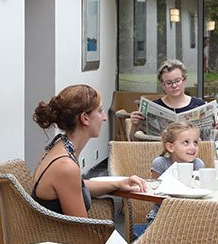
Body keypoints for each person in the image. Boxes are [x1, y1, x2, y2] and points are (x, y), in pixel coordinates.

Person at [32, 84, 147, 218]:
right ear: (85, 118)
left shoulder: (60, 146)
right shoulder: (66, 166)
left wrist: (118, 184)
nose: (104, 117)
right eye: (100, 111)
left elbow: (77, 186)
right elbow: (81, 229)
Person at [129, 59, 218, 135]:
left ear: (184, 80)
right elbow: (134, 141)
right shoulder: (155, 106)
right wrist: (135, 126)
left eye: (177, 81)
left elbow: (214, 142)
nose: (174, 85)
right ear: (162, 85)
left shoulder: (199, 105)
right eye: (169, 83)